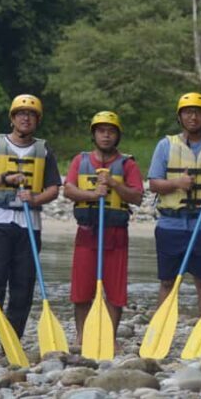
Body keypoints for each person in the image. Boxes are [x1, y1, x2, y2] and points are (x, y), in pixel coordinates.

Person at [0, 94, 61, 356]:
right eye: (21, 114)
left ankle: (13, 336)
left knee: (24, 282)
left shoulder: (44, 151)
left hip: (29, 223)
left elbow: (53, 189)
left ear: (37, 121)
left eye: (30, 115)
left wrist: (35, 198)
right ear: (12, 119)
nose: (25, 118)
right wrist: (3, 179)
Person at [147, 92, 201, 316]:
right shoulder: (165, 145)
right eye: (188, 113)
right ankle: (160, 333)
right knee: (167, 281)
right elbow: (154, 184)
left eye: (197, 113)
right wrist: (177, 182)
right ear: (180, 117)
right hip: (171, 224)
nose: (193, 117)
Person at [63, 111, 144, 349]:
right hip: (87, 232)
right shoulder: (81, 160)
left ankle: (108, 337)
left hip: (115, 233)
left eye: (110, 131)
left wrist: (114, 184)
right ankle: (81, 336)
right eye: (101, 131)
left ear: (117, 135)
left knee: (115, 290)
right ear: (94, 134)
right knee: (82, 289)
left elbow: (137, 197)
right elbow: (68, 190)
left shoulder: (128, 164)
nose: (106, 136)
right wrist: (92, 194)